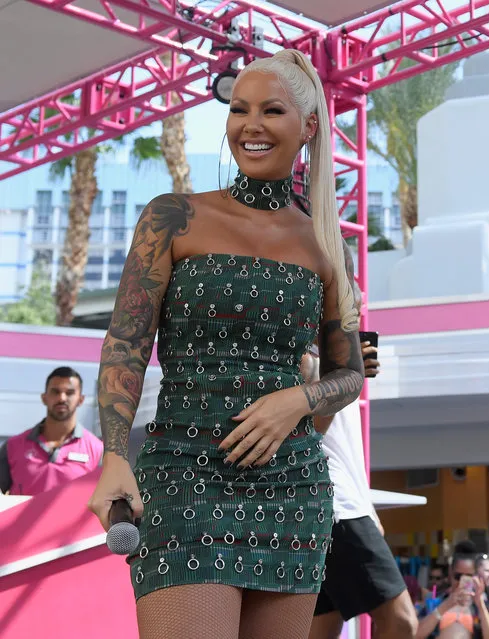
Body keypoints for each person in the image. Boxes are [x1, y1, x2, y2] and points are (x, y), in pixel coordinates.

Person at [87, 49, 365, 639]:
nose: (250, 125)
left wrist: (297, 400)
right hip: (184, 474)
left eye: (271, 110)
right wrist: (115, 454)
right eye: (239, 110)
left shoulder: (325, 245)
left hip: (293, 489)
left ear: (307, 126)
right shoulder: (172, 217)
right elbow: (127, 342)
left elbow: (349, 375)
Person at [305, 339, 418, 639]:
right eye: (346, 309)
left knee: (323, 628)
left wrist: (367, 507)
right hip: (333, 506)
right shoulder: (305, 360)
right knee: (402, 621)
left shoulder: (337, 364)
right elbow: (312, 433)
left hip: (339, 505)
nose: (351, 320)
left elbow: (346, 450)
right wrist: (339, 373)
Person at [0, 366, 103, 496]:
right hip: (24, 517)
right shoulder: (12, 447)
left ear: (81, 400)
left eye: (70, 392)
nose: (62, 398)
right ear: (44, 397)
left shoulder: (98, 450)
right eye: (55, 392)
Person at [416, 540, 489, 638]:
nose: (462, 581)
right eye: (458, 576)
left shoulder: (480, 604)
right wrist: (446, 605)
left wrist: (480, 605)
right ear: (451, 572)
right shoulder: (435, 599)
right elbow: (416, 635)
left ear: (475, 575)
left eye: (468, 576)